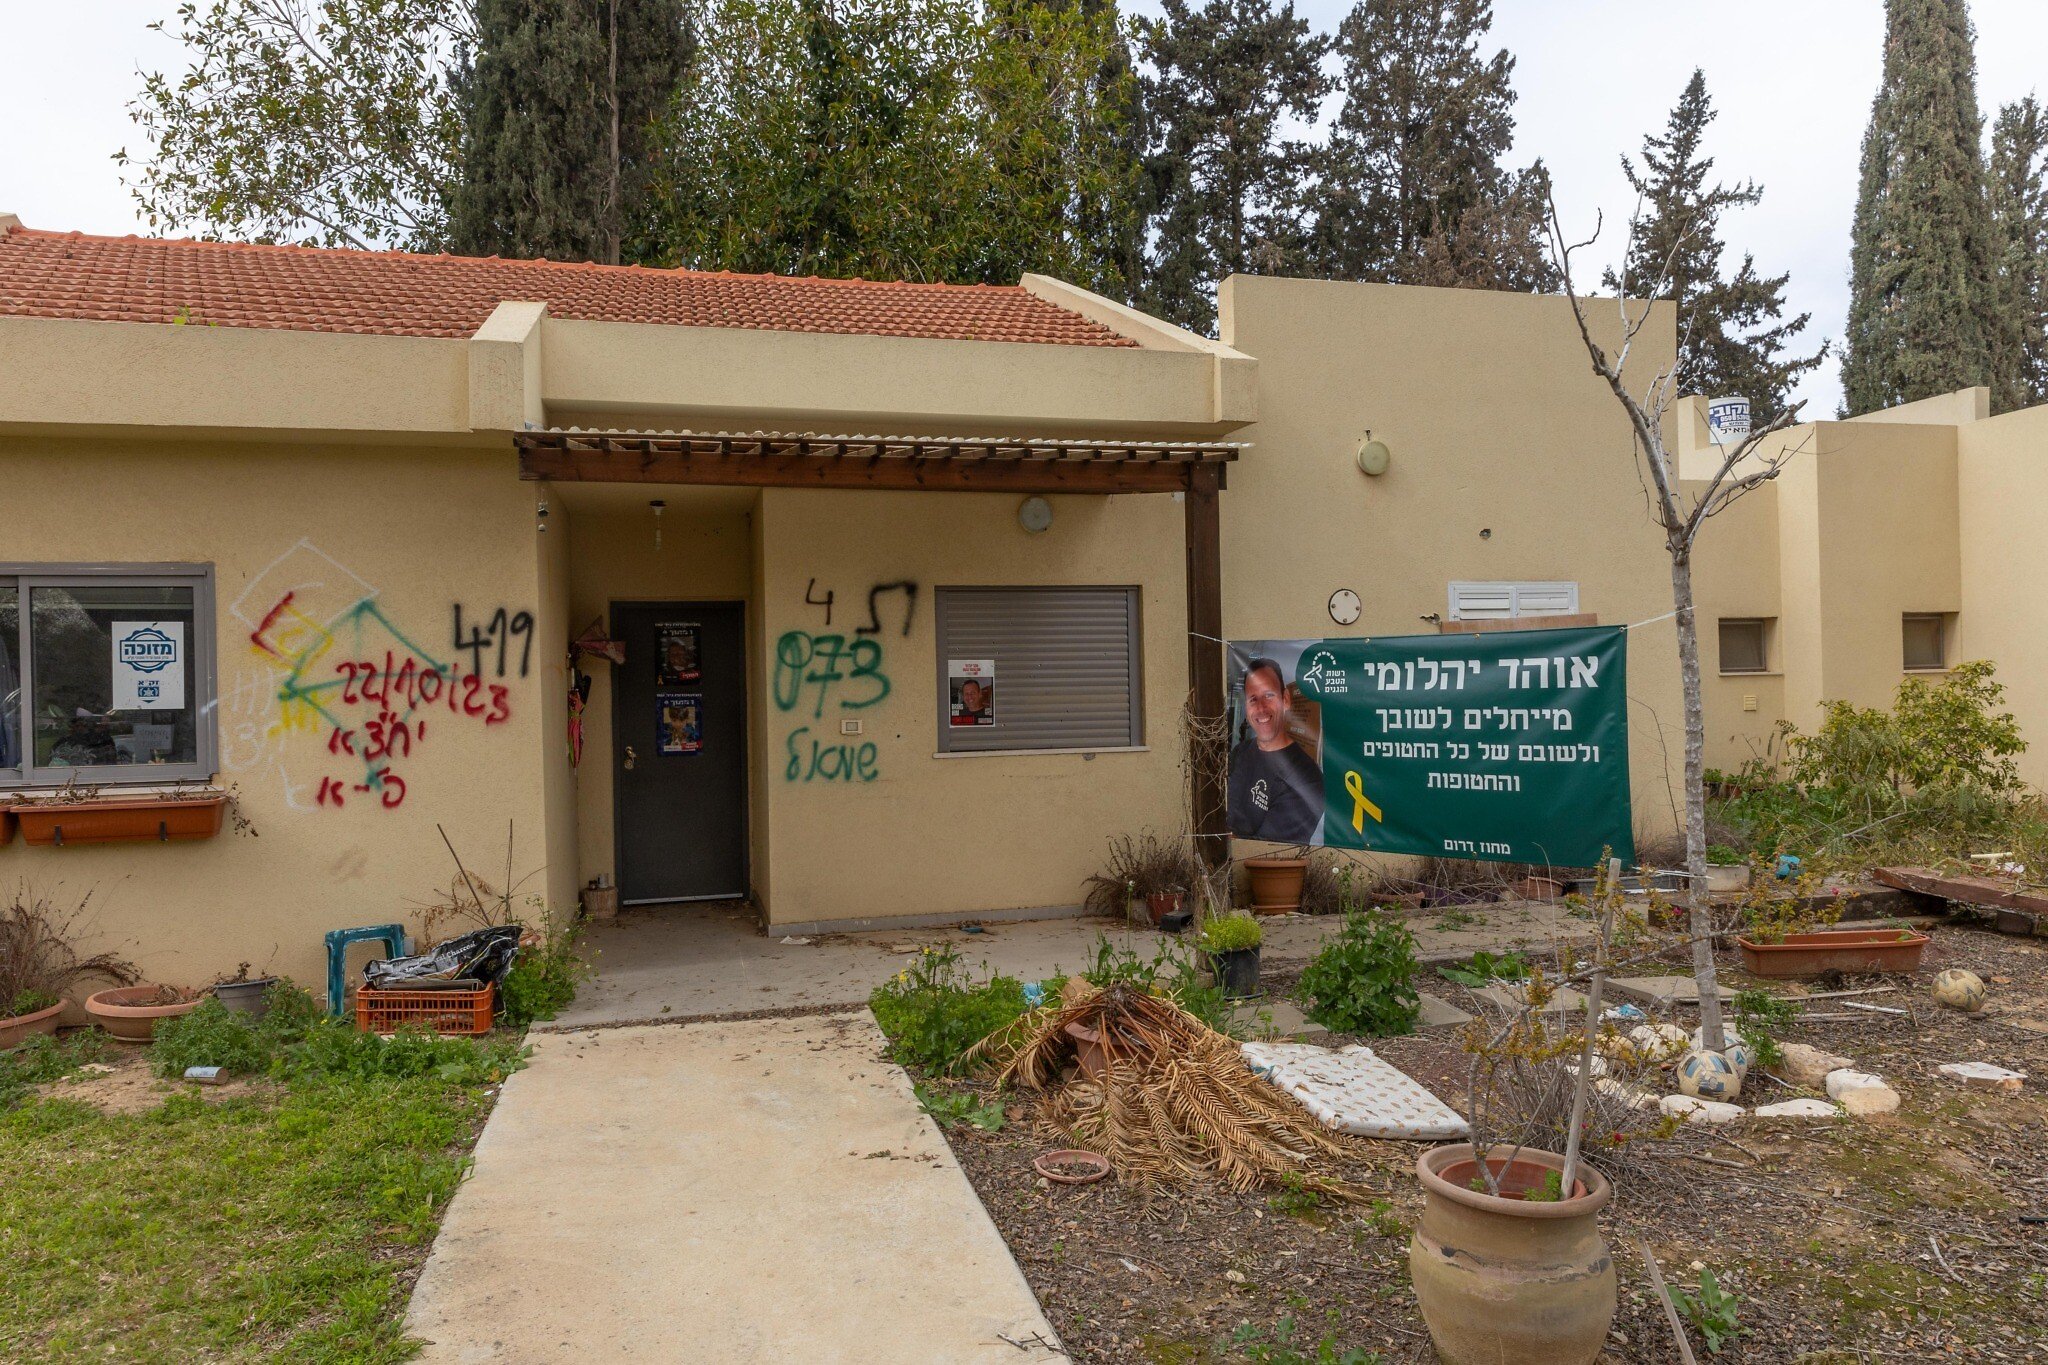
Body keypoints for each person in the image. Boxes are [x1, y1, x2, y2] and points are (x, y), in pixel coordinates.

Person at [1226, 657, 1324, 843]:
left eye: (1268, 695)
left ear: (1285, 699)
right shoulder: (1240, 752)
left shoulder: (1308, 780)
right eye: (1253, 699)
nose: (1261, 708)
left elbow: (1264, 850)